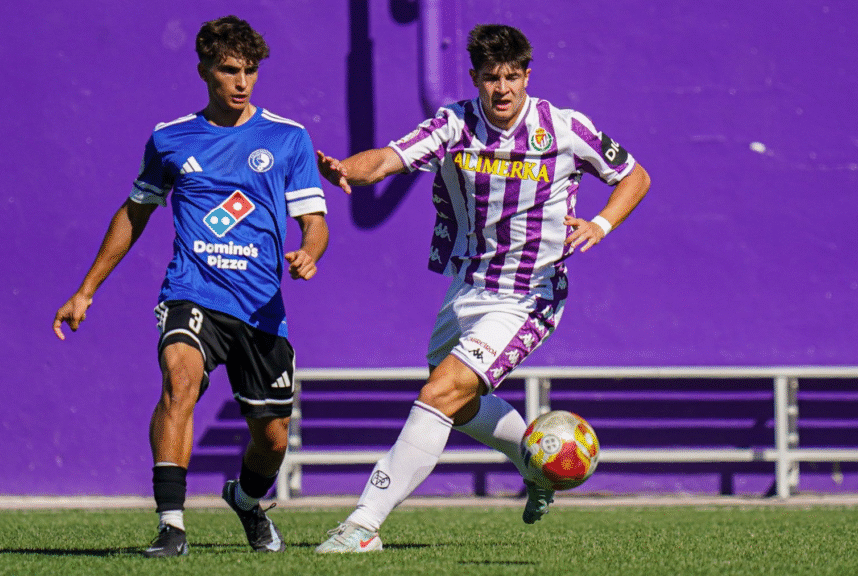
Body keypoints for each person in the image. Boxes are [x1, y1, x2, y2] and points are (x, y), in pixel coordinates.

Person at [314, 23, 650, 553]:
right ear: (474, 78)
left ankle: (362, 525)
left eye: (512, 77)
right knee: (461, 405)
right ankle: (537, 465)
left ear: (526, 76)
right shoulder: (455, 124)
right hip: (466, 287)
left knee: (440, 394)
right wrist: (343, 171)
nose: (502, 89)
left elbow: (634, 176)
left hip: (529, 296)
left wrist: (600, 224)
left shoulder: (563, 128)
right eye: (491, 78)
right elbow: (386, 158)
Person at [52, 15, 329, 557]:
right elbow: (134, 213)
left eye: (250, 70)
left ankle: (246, 502)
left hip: (262, 310)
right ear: (204, 69)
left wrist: (309, 254)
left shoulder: (288, 138)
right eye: (230, 70)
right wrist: (86, 290)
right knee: (180, 381)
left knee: (271, 439)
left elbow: (314, 221)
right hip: (192, 291)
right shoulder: (171, 138)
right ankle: (171, 527)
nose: (242, 81)